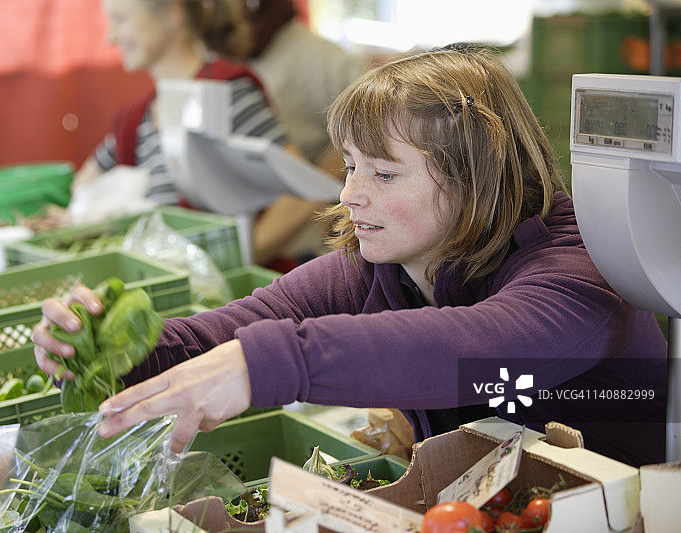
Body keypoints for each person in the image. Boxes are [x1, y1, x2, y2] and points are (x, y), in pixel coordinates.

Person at [34, 46, 668, 467]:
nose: (349, 195)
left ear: (479, 178)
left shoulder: (581, 278)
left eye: (384, 175)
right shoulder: (379, 270)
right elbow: (213, 339)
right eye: (351, 168)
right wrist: (105, 352)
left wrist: (269, 363)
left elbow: (476, 349)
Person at [75, 0, 323, 267]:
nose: (110, 37)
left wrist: (229, 265)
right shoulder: (137, 119)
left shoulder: (226, 93)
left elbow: (302, 193)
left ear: (172, 13)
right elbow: (82, 189)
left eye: (120, 19)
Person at [241, 0, 369, 262]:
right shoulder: (226, 53)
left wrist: (320, 181)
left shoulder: (324, 61)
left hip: (302, 241)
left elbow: (370, 122)